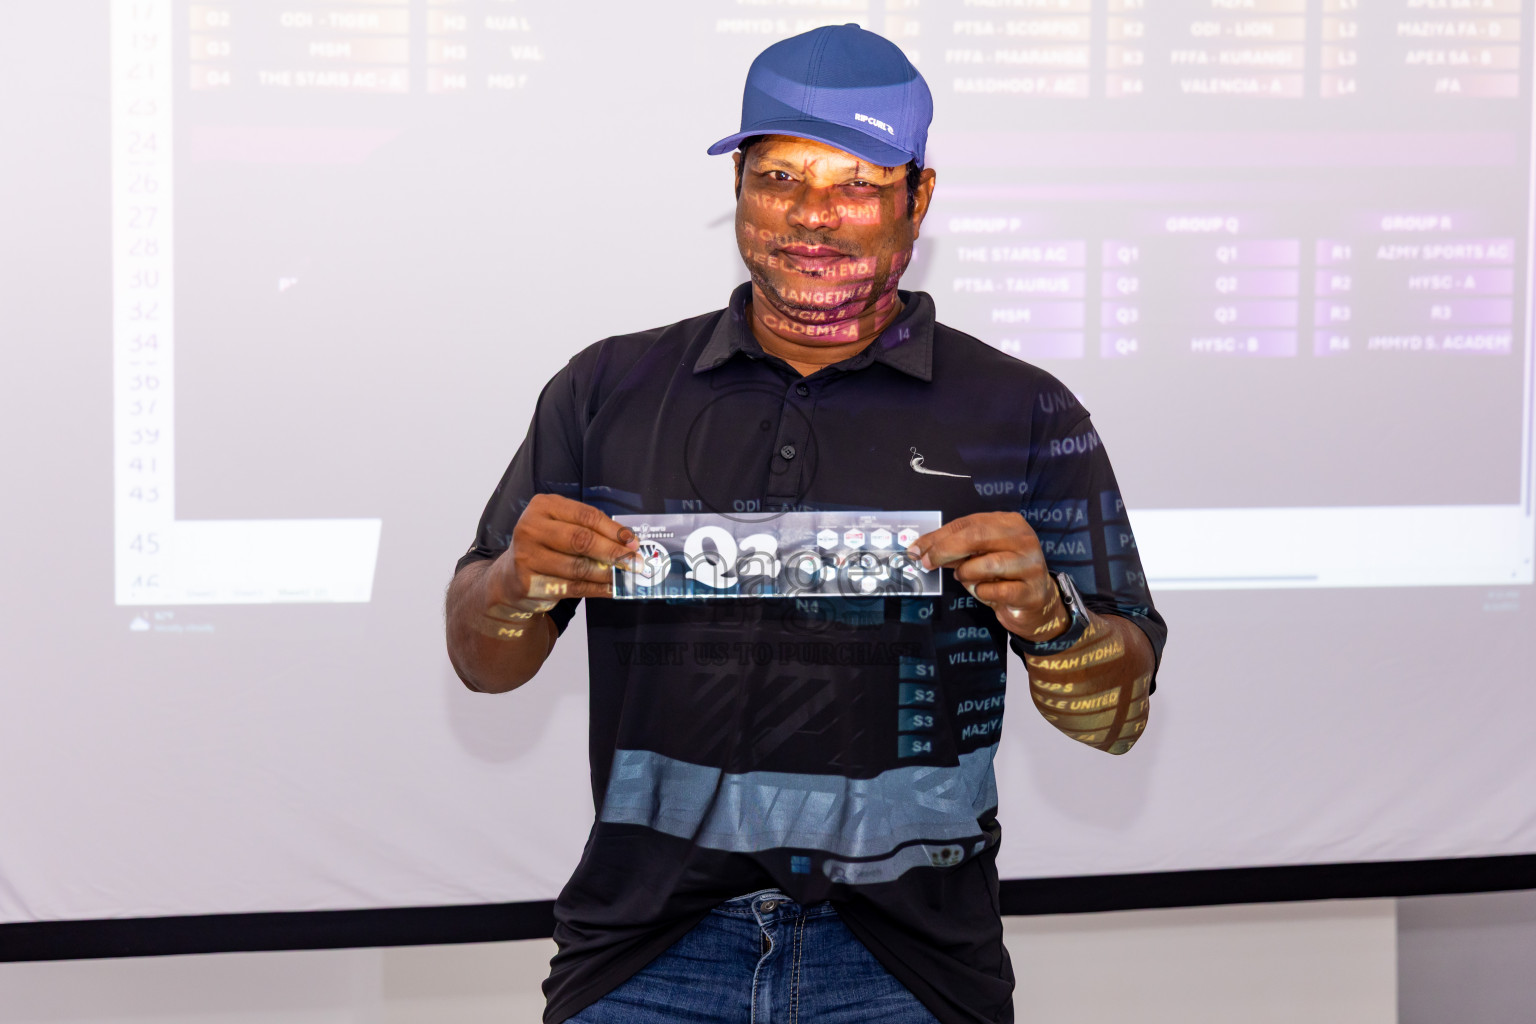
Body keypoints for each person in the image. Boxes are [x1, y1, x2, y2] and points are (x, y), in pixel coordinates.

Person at [445, 24, 1166, 1024]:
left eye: (857, 184)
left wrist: (1054, 622)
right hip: (642, 957)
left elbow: (1117, 721)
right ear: (739, 185)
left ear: (919, 197)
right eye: (779, 177)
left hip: (909, 970)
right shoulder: (607, 388)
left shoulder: (1025, 411)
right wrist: (512, 586)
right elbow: (482, 664)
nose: (812, 215)